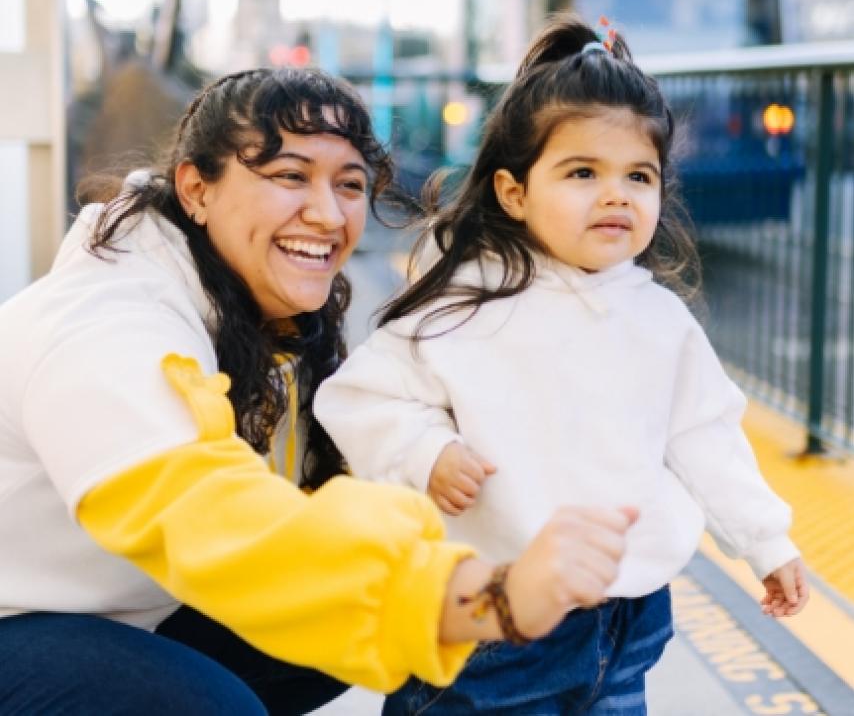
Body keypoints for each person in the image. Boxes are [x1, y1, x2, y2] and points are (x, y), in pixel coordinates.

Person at [0, 67, 638, 715]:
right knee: (212, 706)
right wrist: (485, 595)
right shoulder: (110, 327)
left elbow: (320, 506)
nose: (328, 214)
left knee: (377, 624)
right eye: (289, 176)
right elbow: (207, 515)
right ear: (196, 188)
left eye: (350, 184)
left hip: (112, 609)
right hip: (16, 621)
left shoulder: (249, 309)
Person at [314, 16, 810, 715]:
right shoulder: (469, 305)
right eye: (583, 172)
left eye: (638, 176)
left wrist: (765, 541)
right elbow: (359, 401)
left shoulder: (660, 320)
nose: (616, 194)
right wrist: (425, 450)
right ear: (515, 193)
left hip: (628, 621)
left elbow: (706, 435)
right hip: (494, 624)